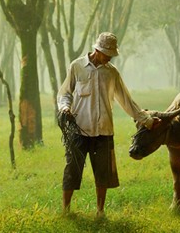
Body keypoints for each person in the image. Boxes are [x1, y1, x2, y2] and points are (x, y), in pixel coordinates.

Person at [57, 31, 156, 218]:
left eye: (111, 54)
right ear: (97, 50)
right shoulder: (77, 67)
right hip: (79, 129)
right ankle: (66, 210)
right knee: (72, 169)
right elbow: (64, 93)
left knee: (104, 173)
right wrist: (64, 107)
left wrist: (146, 120)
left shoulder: (111, 73)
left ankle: (100, 211)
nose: (109, 57)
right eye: (107, 53)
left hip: (104, 131)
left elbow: (127, 100)